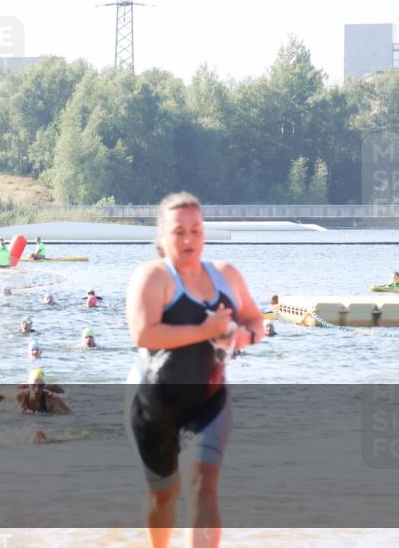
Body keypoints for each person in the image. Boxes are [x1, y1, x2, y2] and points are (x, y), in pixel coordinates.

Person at [125, 191, 264, 548]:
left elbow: (255, 320)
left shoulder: (226, 275)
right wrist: (206, 331)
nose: (189, 239)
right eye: (179, 232)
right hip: (154, 404)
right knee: (163, 498)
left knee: (203, 487)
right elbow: (143, 332)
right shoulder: (153, 277)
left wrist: (242, 337)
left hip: (209, 402)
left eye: (197, 230)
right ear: (162, 236)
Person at [0, 368, 71, 415]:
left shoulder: (51, 400)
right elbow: (1, 393)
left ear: (44, 386)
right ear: (29, 385)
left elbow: (70, 415)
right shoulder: (21, 395)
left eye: (41, 386)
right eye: (34, 385)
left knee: (54, 387)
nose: (37, 389)